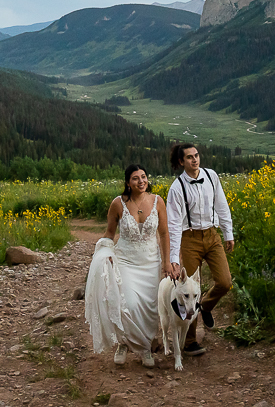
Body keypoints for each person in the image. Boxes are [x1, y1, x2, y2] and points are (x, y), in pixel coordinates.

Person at [85, 164, 170, 368]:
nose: (141, 181)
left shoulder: (157, 201)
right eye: (135, 178)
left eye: (143, 176)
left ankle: (146, 348)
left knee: (149, 309)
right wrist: (104, 253)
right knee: (128, 304)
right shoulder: (118, 204)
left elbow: (164, 233)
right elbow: (109, 233)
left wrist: (167, 262)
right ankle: (124, 342)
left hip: (150, 262)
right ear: (127, 182)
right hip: (126, 260)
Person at [165, 142, 234, 357]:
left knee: (225, 282)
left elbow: (222, 205)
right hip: (190, 238)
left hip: (212, 235)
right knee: (188, 289)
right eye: (189, 157)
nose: (195, 159)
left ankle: (204, 306)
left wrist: (227, 232)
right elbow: (174, 225)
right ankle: (190, 341)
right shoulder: (177, 188)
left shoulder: (211, 176)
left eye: (196, 155)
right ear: (181, 162)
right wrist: (174, 258)